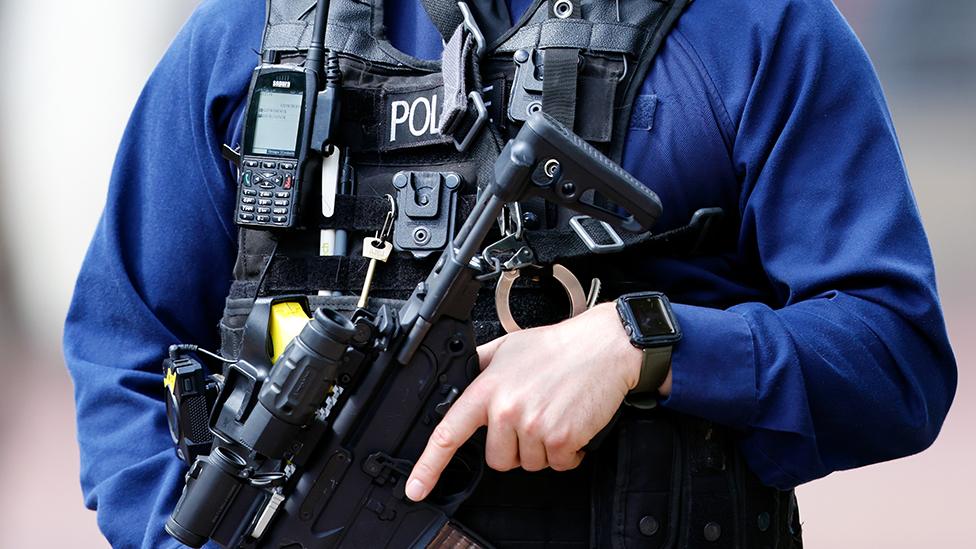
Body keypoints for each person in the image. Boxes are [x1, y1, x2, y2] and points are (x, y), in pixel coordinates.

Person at [64, 0, 957, 547]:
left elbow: (895, 354)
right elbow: (124, 347)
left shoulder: (754, 24)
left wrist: (640, 345)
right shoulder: (247, 36)